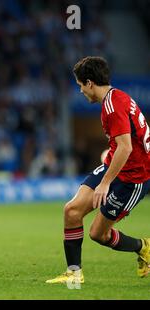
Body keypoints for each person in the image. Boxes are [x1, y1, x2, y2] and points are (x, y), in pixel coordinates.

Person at [46, 56, 150, 284]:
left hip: (134, 178)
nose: (81, 90)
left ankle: (144, 247)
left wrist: (104, 183)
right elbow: (123, 143)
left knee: (98, 234)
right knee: (72, 211)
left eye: (80, 85)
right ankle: (74, 274)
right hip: (115, 165)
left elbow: (126, 146)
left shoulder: (113, 107)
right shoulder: (116, 98)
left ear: (90, 83)